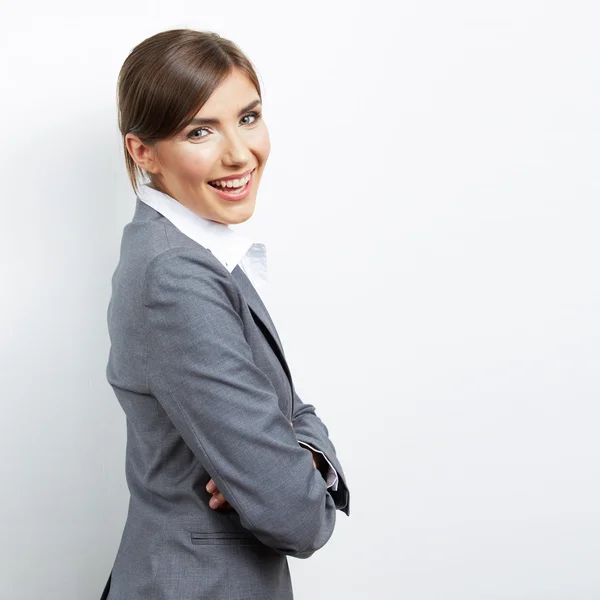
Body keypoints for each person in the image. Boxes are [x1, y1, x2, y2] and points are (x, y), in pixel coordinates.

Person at [101, 28, 350, 600]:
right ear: (143, 152)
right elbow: (299, 518)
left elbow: (290, 412)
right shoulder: (176, 278)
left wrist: (299, 453)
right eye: (199, 131)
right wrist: (291, 468)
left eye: (248, 117)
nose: (239, 153)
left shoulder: (194, 253)